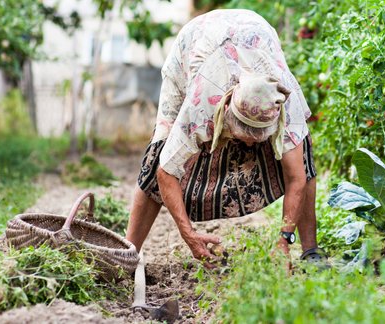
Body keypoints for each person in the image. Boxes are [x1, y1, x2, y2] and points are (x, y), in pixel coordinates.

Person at [125, 9, 325, 268]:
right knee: (158, 155)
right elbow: (166, 172)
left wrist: (283, 241)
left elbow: (297, 177)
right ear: (226, 111)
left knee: (303, 158)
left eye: (259, 138)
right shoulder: (201, 103)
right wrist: (189, 234)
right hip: (194, 45)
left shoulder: (287, 103)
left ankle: (311, 251)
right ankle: (128, 252)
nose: (252, 145)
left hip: (255, 34)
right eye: (245, 136)